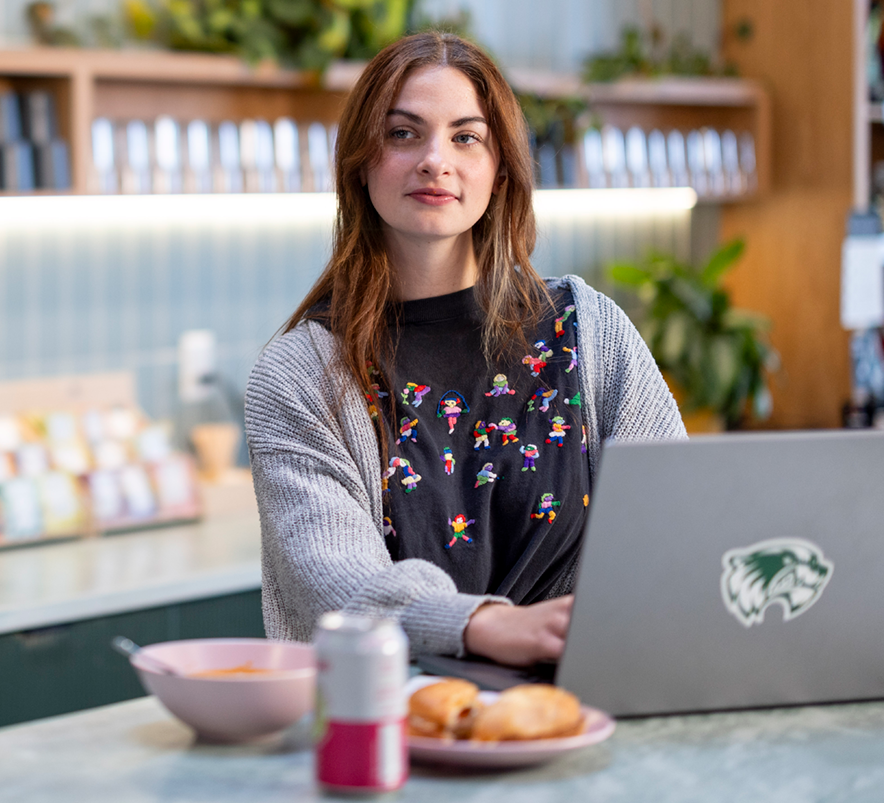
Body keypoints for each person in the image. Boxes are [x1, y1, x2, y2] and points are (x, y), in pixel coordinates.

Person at [244, 32, 685, 668]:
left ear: (500, 167)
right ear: (359, 162)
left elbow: (673, 521)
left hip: (587, 706)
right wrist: (482, 626)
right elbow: (336, 582)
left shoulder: (591, 332)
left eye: (465, 137)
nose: (434, 160)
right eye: (402, 134)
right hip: (395, 728)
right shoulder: (299, 376)